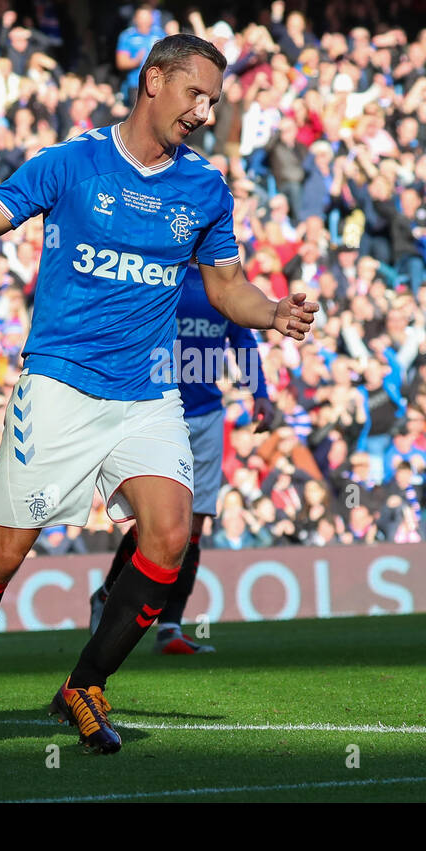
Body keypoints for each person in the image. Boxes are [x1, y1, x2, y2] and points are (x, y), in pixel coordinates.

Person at [0, 34, 318, 758]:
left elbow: (227, 287)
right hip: (60, 387)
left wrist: (274, 313)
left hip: (147, 393)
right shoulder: (71, 163)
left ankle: (85, 683)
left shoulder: (203, 187)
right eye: (194, 94)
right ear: (153, 80)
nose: (203, 112)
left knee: (170, 537)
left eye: (213, 101)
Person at [88, 259, 276, 654]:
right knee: (157, 523)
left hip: (207, 414)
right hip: (155, 410)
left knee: (193, 527)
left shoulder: (227, 283)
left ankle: (169, 628)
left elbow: (241, 338)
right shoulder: (156, 273)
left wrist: (259, 391)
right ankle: (108, 595)